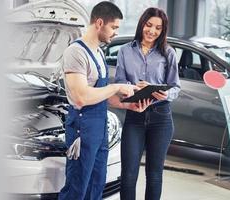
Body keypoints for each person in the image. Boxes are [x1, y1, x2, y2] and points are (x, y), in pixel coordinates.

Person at [58, 2, 151, 200]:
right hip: (82, 128)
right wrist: (117, 87)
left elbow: (100, 95)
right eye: (114, 27)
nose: (116, 33)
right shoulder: (76, 52)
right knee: (78, 185)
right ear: (100, 23)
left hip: (100, 127)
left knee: (96, 184)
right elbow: (81, 97)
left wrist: (128, 105)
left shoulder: (99, 52)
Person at [115, 7, 181, 200]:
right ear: (142, 24)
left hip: (161, 118)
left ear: (163, 31)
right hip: (134, 116)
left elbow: (175, 87)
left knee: (154, 175)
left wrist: (163, 94)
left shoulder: (168, 53)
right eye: (149, 25)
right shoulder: (125, 51)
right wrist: (133, 87)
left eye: (158, 28)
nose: (152, 31)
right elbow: (120, 82)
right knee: (128, 175)